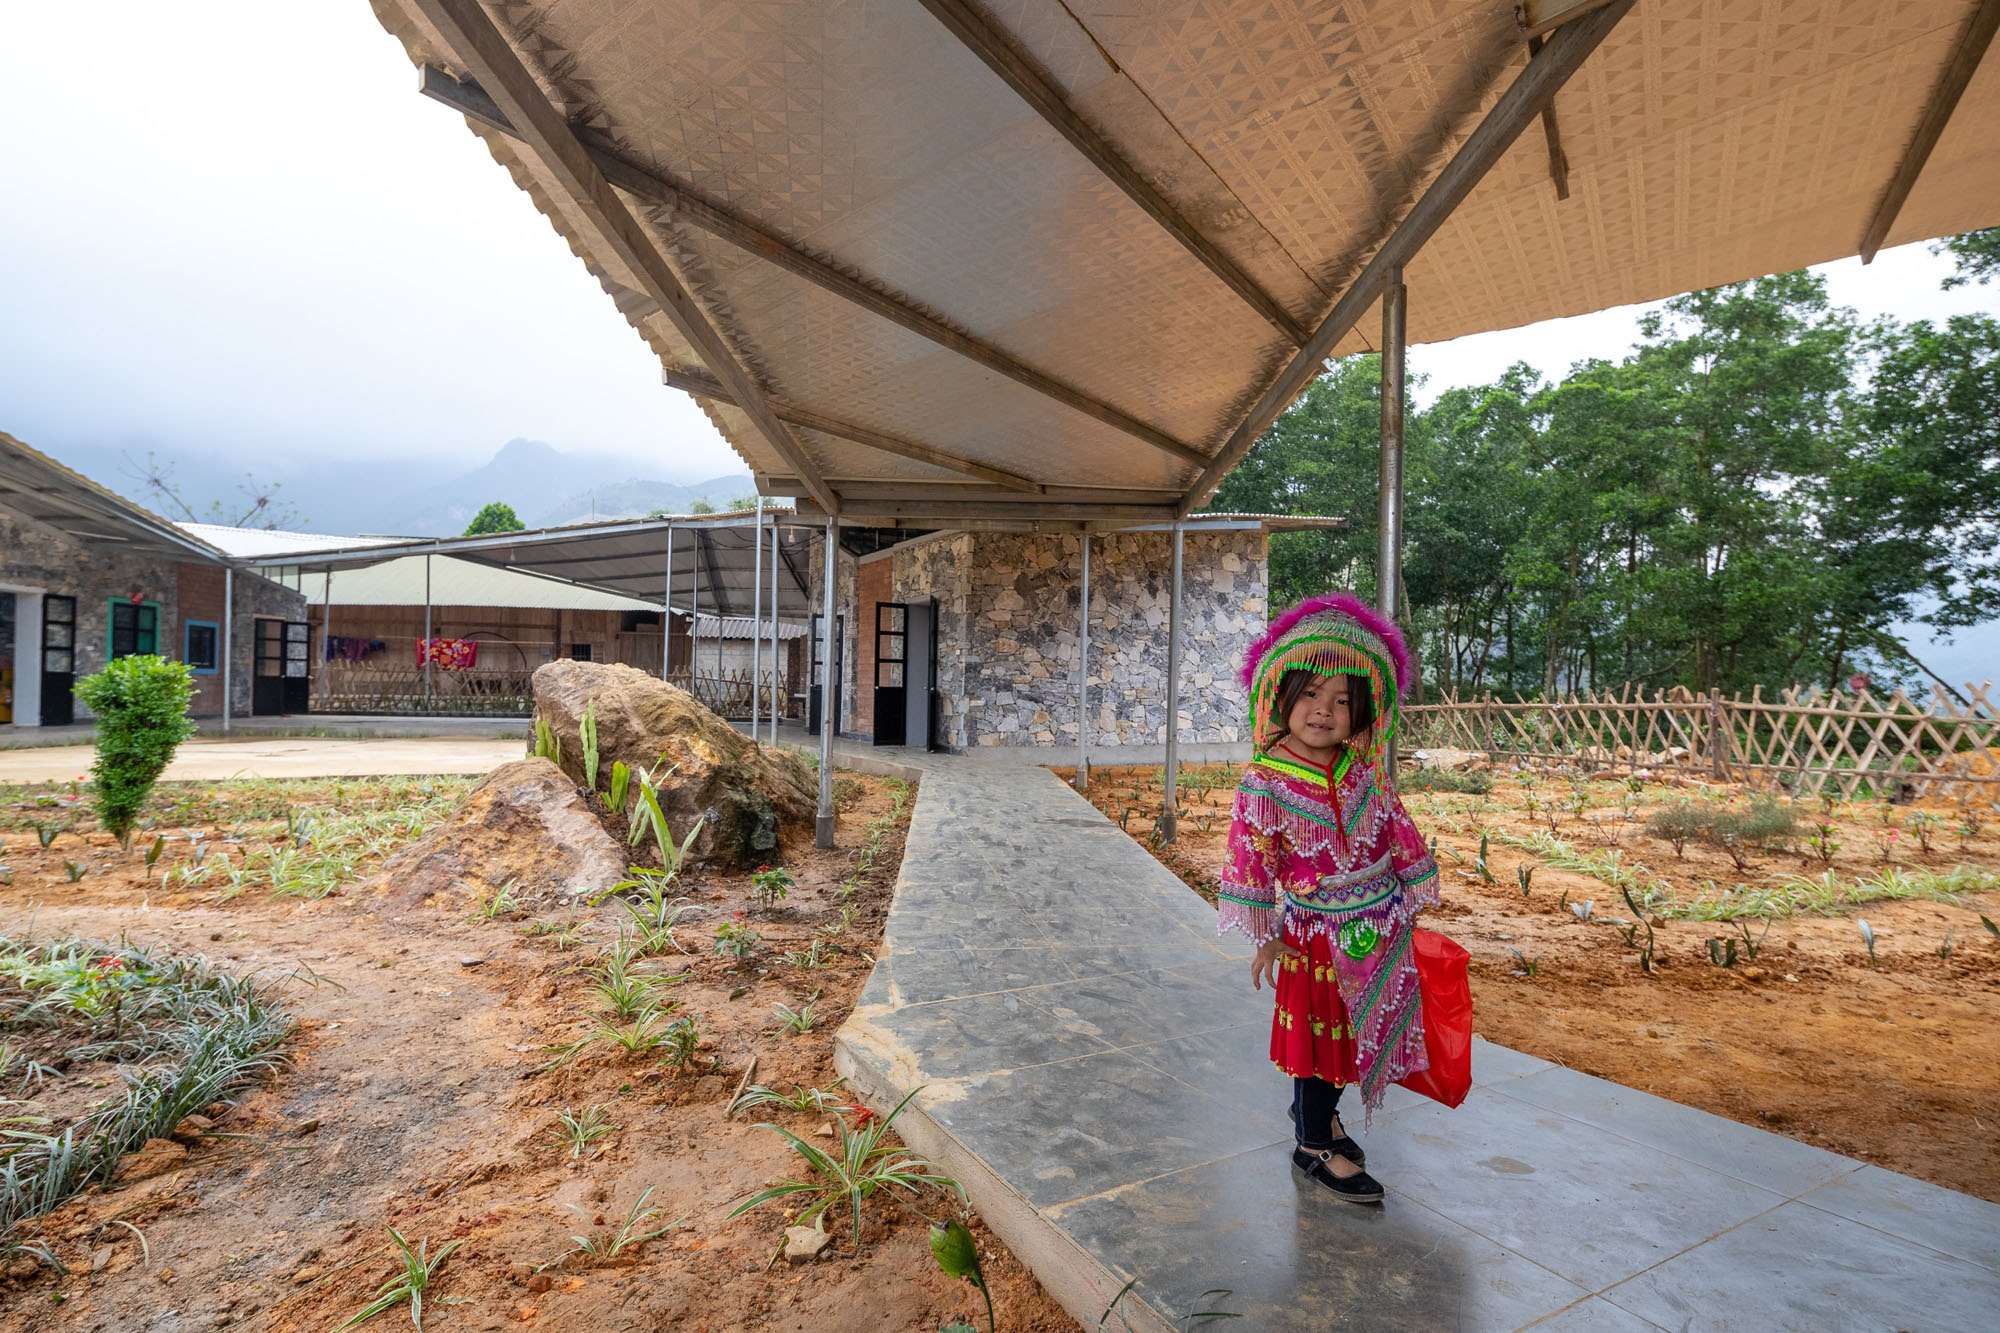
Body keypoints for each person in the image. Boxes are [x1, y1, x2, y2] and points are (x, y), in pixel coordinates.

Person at [1219, 592, 1441, 1204]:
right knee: (1318, 1043)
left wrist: (1415, 891)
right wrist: (1267, 936)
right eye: (1312, 694)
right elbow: (1251, 861)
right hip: (1311, 938)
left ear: (1362, 712)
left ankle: (1324, 1120)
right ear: (1283, 698)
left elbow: (1395, 826)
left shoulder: (1364, 770)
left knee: (1351, 1034)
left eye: (1343, 700)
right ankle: (1313, 1144)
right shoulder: (1264, 780)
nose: (1325, 710)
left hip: (1376, 926)